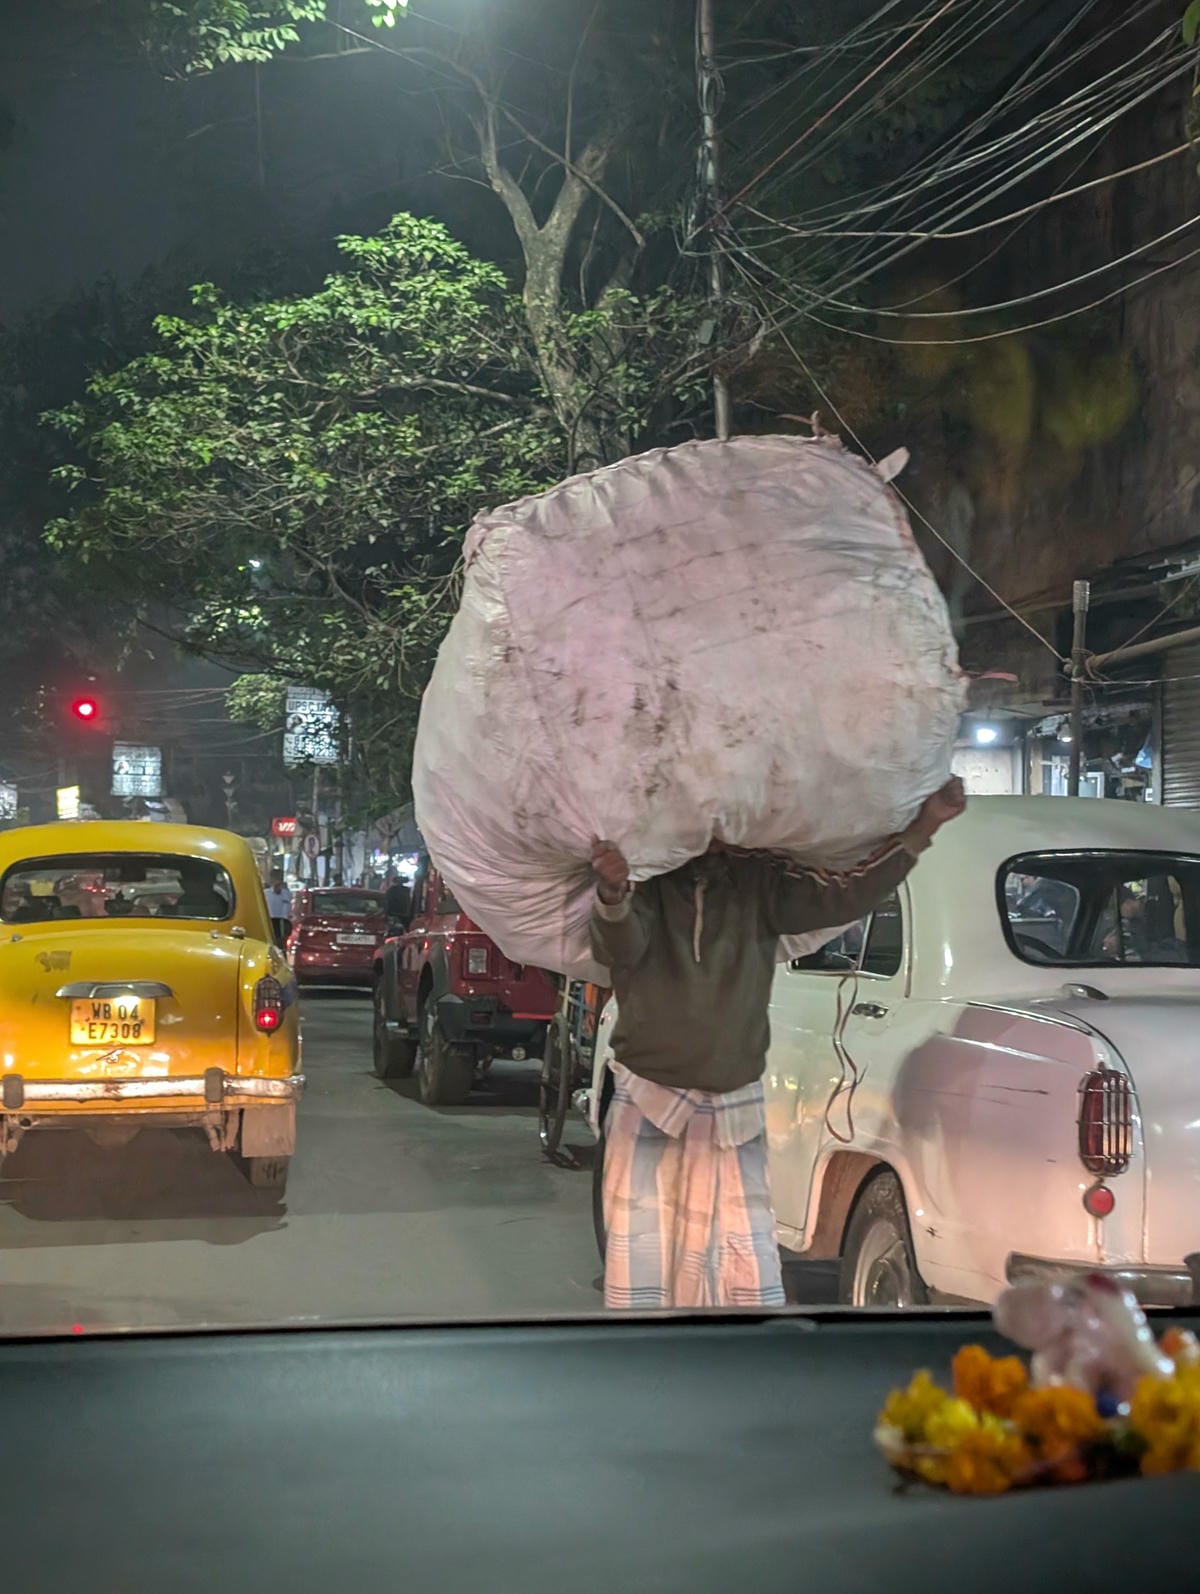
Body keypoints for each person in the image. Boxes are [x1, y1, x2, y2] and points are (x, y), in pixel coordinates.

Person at [590, 777, 967, 1312]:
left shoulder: (759, 885)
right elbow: (620, 946)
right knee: (644, 1285)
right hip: (650, 1107)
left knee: (741, 1283)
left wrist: (923, 828)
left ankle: (734, 1387)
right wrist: (612, 892)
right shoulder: (647, 883)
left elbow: (844, 895)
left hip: (732, 1112)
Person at [265, 869, 292, 948]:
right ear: (271, 879)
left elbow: (288, 909)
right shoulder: (266, 893)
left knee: (282, 946)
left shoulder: (287, 893)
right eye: (275, 878)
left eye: (279, 878)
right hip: (270, 922)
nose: (277, 880)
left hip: (283, 923)